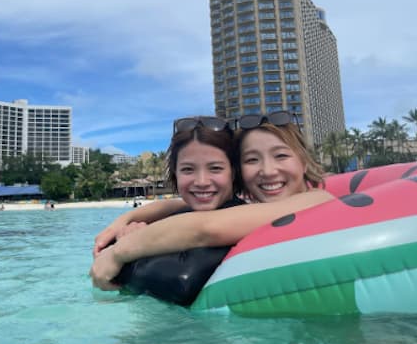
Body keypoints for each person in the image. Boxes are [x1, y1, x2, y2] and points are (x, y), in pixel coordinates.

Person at [90, 110, 334, 292]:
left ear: (304, 162)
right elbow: (182, 207)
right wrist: (128, 218)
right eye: (252, 160)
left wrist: (119, 253)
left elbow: (205, 228)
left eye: (281, 155)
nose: (268, 171)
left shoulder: (319, 200)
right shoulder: (258, 210)